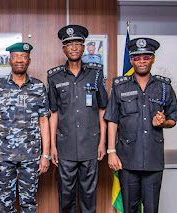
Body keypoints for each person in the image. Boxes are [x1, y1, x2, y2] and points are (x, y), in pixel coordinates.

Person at [104, 37, 177, 213]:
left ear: (152, 58)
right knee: (130, 209)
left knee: (152, 208)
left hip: (153, 160)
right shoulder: (119, 86)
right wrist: (111, 152)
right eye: (137, 58)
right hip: (127, 161)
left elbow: (174, 117)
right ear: (131, 60)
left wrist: (163, 122)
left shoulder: (163, 86)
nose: (142, 61)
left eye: (146, 57)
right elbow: (112, 119)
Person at [0, 42, 50, 213]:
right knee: (5, 205)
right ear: (9, 60)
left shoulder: (38, 87)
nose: (19, 60)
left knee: (29, 204)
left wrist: (45, 155)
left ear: (29, 61)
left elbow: (44, 121)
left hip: (31, 157)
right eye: (15, 57)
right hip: (3, 157)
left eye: (23, 57)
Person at [47, 25, 108, 213]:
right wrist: (52, 146)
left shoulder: (96, 73)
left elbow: (102, 110)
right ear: (63, 49)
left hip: (90, 144)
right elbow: (54, 113)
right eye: (69, 44)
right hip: (64, 146)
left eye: (77, 44)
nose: (73, 48)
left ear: (83, 47)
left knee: (89, 195)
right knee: (66, 195)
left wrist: (102, 143)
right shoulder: (54, 76)